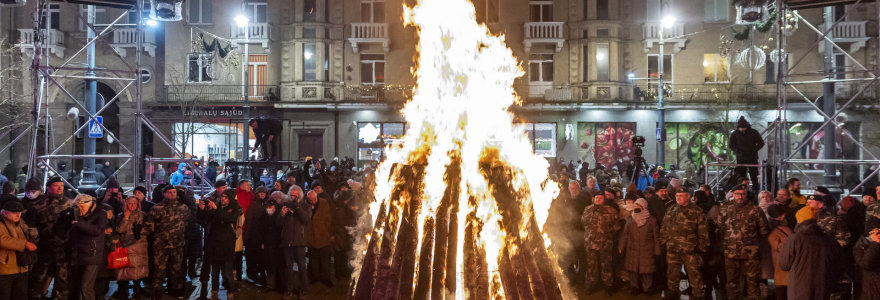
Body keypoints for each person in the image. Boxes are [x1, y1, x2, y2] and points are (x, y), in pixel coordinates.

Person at [714, 185, 770, 300]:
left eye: (743, 194)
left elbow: (764, 231)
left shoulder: (755, 210)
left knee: (753, 283)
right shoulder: (725, 209)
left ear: (746, 195)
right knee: (731, 284)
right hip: (730, 253)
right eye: (737, 194)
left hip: (750, 254)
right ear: (733, 195)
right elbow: (718, 229)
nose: (740, 196)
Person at [779, 207, 842, 300]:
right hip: (822, 286)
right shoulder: (829, 239)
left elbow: (784, 265)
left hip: (799, 287)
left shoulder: (794, 239)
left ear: (799, 220)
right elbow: (837, 264)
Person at [28, 177, 74, 300]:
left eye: (62, 185)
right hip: (44, 247)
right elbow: (32, 227)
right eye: (56, 185)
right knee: (39, 277)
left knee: (63, 279)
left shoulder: (70, 203)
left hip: (63, 248)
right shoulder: (37, 205)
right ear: (48, 188)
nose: (60, 188)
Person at [660, 190, 710, 300]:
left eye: (681, 195)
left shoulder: (697, 211)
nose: (678, 198)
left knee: (694, 274)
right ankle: (673, 293)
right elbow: (664, 227)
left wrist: (701, 248)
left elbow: (703, 232)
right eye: (677, 195)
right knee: (672, 273)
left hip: (691, 249)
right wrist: (663, 242)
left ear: (688, 196)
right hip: (673, 248)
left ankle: (698, 295)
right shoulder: (671, 209)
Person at [143, 186, 191, 299]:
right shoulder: (157, 208)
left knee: (176, 269)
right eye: (169, 192)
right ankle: (158, 291)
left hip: (177, 244)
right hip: (160, 245)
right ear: (164, 194)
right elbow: (149, 226)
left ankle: (175, 290)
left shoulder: (183, 207)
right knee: (159, 269)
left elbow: (188, 222)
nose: (172, 194)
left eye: (174, 192)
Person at [197, 189, 242, 300]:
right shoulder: (216, 207)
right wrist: (201, 210)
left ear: (231, 198)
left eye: (226, 197)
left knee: (227, 272)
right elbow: (204, 222)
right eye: (222, 197)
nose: (223, 199)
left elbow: (229, 219)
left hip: (226, 245)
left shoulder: (236, 209)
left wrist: (216, 209)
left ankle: (230, 294)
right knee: (214, 272)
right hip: (214, 245)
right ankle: (214, 293)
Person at [67, 194, 108, 300]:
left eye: (82, 207)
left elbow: (97, 231)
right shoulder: (74, 214)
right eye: (77, 207)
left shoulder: (100, 214)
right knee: (75, 286)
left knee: (86, 287)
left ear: (90, 204)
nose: (80, 209)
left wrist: (79, 222)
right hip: (77, 254)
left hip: (92, 255)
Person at [581, 193, 620, 296]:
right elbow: (583, 223)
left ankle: (608, 287)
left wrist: (606, 235)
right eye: (596, 198)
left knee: (606, 266)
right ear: (593, 199)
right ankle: (591, 285)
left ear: (604, 199)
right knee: (591, 266)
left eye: (601, 198)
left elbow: (616, 227)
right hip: (590, 243)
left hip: (605, 244)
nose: (598, 200)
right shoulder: (587, 209)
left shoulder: (611, 211)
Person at [618, 198, 660, 295]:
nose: (637, 207)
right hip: (632, 249)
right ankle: (634, 287)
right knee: (633, 270)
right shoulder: (630, 219)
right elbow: (625, 235)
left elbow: (656, 237)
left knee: (647, 271)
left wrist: (657, 251)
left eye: (639, 205)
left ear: (644, 207)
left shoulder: (651, 220)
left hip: (647, 249)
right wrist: (621, 246)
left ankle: (647, 288)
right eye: (636, 205)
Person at [278, 185, 312, 299]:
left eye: (294, 195)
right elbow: (278, 224)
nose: (292, 197)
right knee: (288, 267)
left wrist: (297, 207)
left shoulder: (305, 205)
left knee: (302, 266)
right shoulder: (285, 205)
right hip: (287, 241)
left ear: (299, 195)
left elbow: (306, 219)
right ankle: (289, 289)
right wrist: (282, 214)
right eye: (290, 195)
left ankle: (304, 289)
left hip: (299, 241)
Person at [111, 196, 148, 299]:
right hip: (126, 246)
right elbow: (119, 230)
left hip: (139, 246)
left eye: (134, 203)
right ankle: (124, 291)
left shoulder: (142, 215)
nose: (132, 206)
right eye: (130, 203)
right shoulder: (120, 216)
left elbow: (147, 230)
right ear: (126, 204)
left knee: (138, 269)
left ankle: (137, 290)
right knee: (125, 270)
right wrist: (126, 218)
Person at [0, 200, 36, 300]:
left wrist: (34, 237)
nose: (17, 215)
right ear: (4, 212)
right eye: (14, 213)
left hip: (22, 268)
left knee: (21, 296)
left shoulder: (22, 224)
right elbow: (2, 240)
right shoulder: (1, 224)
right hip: (5, 270)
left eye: (19, 212)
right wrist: (25, 244)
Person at [306, 190, 333, 287]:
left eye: (314, 200)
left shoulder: (324, 203)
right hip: (311, 237)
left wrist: (327, 231)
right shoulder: (306, 204)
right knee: (313, 259)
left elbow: (328, 219)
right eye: (311, 200)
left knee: (325, 260)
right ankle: (315, 277)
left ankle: (326, 278)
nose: (313, 202)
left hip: (323, 236)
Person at [729, 116, 764, 187]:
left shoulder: (753, 132)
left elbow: (761, 143)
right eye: (740, 128)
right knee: (741, 175)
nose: (742, 129)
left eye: (743, 128)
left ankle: (755, 188)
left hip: (752, 157)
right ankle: (742, 187)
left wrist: (754, 150)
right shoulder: (735, 134)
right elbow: (731, 145)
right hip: (741, 157)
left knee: (753, 175)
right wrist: (738, 151)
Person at [767, 204, 793, 300]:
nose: (782, 217)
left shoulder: (784, 225)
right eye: (779, 215)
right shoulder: (774, 231)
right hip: (781, 261)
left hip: (782, 262)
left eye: (783, 214)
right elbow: (779, 247)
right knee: (782, 288)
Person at [854, 216, 880, 300]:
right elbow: (866, 263)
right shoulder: (860, 247)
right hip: (868, 291)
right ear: (869, 233)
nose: (878, 235)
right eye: (875, 232)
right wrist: (875, 244)